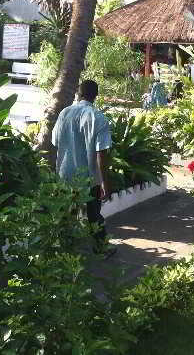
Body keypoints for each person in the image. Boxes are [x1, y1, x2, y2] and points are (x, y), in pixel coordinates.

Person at [51, 79, 116, 256]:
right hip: (88, 179)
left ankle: (63, 249)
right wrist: (104, 183)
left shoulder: (64, 113)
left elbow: (55, 141)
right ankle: (101, 247)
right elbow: (101, 155)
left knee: (65, 213)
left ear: (79, 94)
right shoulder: (98, 118)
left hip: (65, 175)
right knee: (93, 215)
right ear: (96, 96)